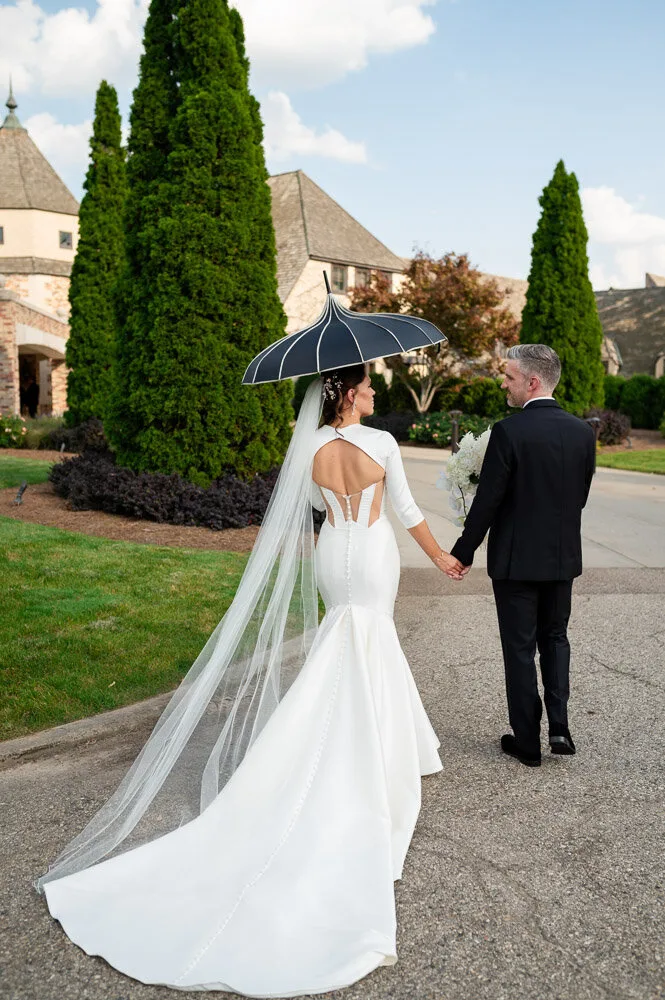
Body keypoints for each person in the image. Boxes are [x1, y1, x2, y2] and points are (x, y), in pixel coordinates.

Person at [38, 364, 463, 995]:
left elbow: (314, 506)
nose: (376, 394)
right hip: (373, 553)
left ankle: (352, 733)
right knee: (373, 637)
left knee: (344, 641)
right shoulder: (381, 442)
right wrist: (443, 556)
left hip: (333, 553)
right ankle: (377, 746)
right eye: (369, 387)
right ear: (349, 394)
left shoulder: (309, 445)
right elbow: (403, 509)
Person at [451, 344, 596, 768]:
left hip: (515, 563)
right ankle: (560, 728)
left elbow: (488, 502)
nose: (503, 384)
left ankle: (528, 742)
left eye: (509, 377)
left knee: (519, 649)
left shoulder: (509, 432)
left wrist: (463, 551)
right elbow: (579, 496)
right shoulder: (582, 433)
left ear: (532, 382)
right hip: (561, 559)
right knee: (556, 638)